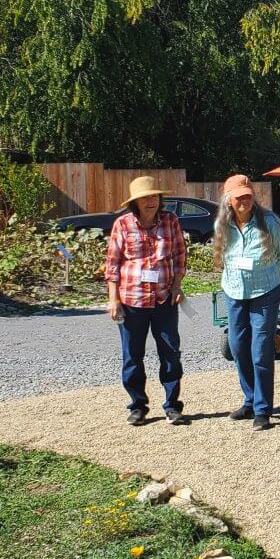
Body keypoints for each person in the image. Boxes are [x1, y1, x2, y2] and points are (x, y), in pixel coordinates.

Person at [104, 176, 189, 426]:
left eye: (154, 196)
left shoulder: (170, 221)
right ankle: (138, 405)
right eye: (145, 197)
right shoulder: (123, 224)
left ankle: (172, 405)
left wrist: (177, 286)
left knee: (171, 353)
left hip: (164, 299)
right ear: (135, 202)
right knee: (132, 355)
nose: (151, 201)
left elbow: (180, 254)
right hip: (132, 300)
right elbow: (113, 264)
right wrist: (113, 299)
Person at [214, 174, 280, 431]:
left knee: (261, 350)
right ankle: (249, 399)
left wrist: (260, 269)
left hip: (265, 291)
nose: (245, 201)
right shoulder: (222, 225)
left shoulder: (269, 222)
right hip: (234, 291)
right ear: (228, 201)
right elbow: (222, 255)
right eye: (239, 197)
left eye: (248, 195)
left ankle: (262, 410)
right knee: (237, 346)